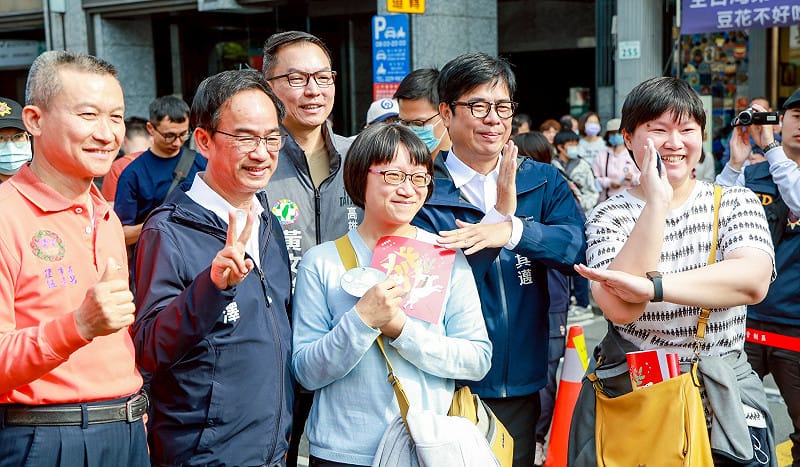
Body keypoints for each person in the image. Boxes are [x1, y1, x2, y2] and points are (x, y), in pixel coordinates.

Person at [574, 76, 776, 466]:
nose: (674, 142)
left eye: (687, 130)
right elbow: (619, 310)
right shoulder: (609, 215)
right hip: (640, 399)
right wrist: (656, 204)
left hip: (725, 403)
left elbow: (751, 281)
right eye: (658, 130)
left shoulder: (735, 201)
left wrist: (654, 289)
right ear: (629, 137)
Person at [412, 52, 587, 467]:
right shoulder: (419, 186)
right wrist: (493, 223)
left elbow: (576, 249)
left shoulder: (541, 180)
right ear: (446, 113)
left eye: (502, 106)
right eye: (478, 106)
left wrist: (513, 230)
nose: (493, 118)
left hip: (520, 380)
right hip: (442, 380)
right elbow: (421, 291)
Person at [292, 122, 491, 466]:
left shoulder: (445, 257)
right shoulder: (321, 262)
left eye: (418, 178)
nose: (408, 190)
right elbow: (306, 371)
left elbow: (477, 359)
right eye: (393, 176)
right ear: (360, 177)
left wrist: (402, 329)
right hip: (341, 452)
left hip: (426, 447)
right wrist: (361, 321)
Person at [131, 70, 293, 466]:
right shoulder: (167, 229)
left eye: (272, 138)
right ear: (203, 140)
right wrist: (212, 287)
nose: (261, 152)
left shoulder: (267, 221)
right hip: (205, 453)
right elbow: (149, 347)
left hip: (273, 448)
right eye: (244, 138)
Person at [0, 50, 148, 466]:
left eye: (116, 117)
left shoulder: (107, 214)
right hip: (45, 437)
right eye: (88, 115)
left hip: (126, 427)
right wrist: (78, 325)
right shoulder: (5, 215)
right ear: (34, 120)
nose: (107, 133)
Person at [262, 30, 361, 467]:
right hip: (277, 344)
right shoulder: (256, 161)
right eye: (298, 78)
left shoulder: (360, 155)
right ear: (269, 85)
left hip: (351, 339)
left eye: (323, 77)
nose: (314, 90)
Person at [716, 88, 800, 464]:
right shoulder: (754, 173)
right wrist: (735, 165)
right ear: (780, 122)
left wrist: (773, 151)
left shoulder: (778, 166)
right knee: (724, 424)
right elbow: (713, 219)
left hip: (795, 329)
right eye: (795, 116)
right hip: (745, 322)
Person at [513, 130, 573, 466]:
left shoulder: (552, 187)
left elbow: (574, 245)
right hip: (532, 298)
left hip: (553, 301)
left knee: (547, 375)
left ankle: (536, 437)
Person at [114, 95, 206, 247]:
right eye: (169, 136)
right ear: (151, 128)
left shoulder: (201, 163)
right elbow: (122, 235)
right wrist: (165, 221)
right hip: (156, 255)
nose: (177, 142)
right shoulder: (133, 174)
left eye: (183, 134)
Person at [394, 67, 451, 157]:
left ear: (446, 114)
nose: (410, 132)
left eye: (418, 124)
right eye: (404, 123)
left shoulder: (469, 165)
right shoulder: (396, 165)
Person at [101, 116, 150, 202]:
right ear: (151, 139)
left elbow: (109, 206)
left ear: (123, 140)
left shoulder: (118, 167)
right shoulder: (163, 162)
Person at [591, 117, 640, 202]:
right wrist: (608, 182)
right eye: (612, 134)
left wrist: (633, 177)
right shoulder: (601, 156)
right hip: (607, 201)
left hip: (631, 201)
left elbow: (644, 178)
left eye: (618, 133)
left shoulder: (634, 154)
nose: (616, 136)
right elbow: (594, 179)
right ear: (608, 135)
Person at [0, 97, 32, 182]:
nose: (10, 147)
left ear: (28, 138)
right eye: (0, 138)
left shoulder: (46, 181)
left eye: (18, 136)